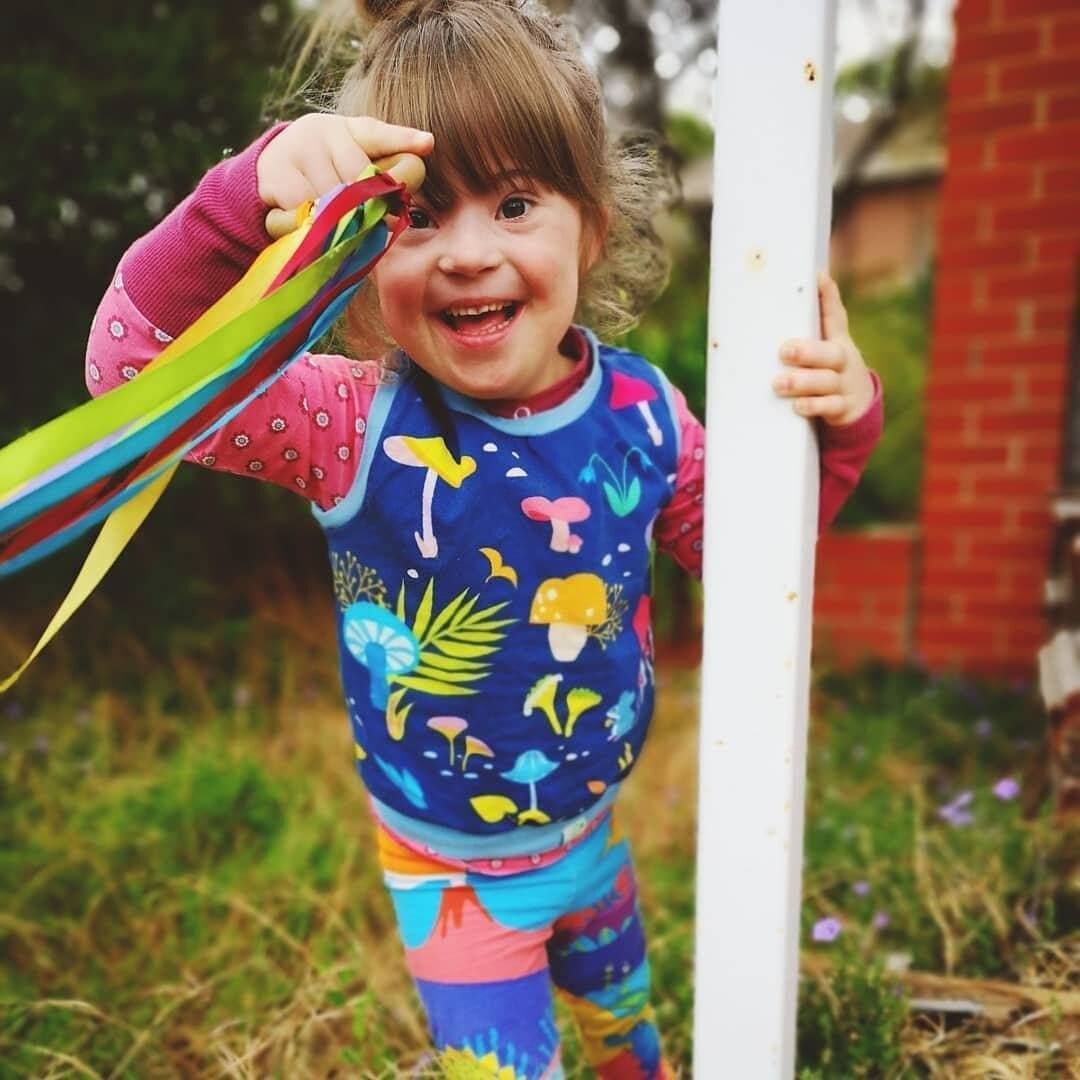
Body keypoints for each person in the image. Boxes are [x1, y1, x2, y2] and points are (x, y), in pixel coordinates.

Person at [85, 1, 883, 1074]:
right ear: (360, 250)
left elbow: (752, 561)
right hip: (450, 879)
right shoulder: (350, 423)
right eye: (418, 216)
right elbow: (132, 377)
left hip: (596, 845)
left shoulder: (642, 414)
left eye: (515, 203)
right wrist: (249, 193)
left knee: (629, 1053)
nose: (467, 254)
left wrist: (838, 429)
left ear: (592, 224)